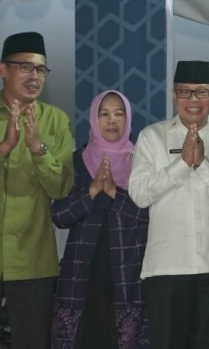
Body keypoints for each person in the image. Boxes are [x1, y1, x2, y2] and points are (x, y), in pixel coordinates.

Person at [0, 31, 74, 349]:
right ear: (2, 69)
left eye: (41, 69)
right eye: (26, 67)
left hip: (33, 257)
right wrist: (5, 147)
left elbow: (61, 188)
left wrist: (37, 149)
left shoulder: (56, 121)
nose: (35, 76)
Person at [128, 61, 209, 349]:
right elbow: (139, 194)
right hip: (167, 267)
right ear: (173, 95)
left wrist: (202, 165)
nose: (192, 100)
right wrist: (182, 164)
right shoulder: (152, 136)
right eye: (184, 92)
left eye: (201, 92)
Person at [50, 90, 149, 349]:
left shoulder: (142, 161)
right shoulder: (77, 161)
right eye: (104, 114)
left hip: (129, 276)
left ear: (128, 119)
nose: (112, 120)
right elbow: (59, 215)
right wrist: (92, 191)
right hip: (82, 278)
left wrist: (115, 192)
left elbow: (150, 215)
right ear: (94, 119)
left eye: (119, 114)